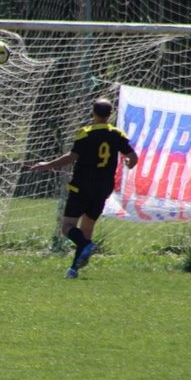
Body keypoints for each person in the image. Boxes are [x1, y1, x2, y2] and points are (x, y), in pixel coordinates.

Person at [30, 98, 139, 279]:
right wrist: (129, 164)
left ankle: (85, 247)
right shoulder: (117, 134)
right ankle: (73, 269)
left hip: (81, 186)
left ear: (93, 113)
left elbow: (71, 157)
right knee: (87, 229)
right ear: (110, 114)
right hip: (103, 188)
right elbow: (133, 157)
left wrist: (47, 165)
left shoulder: (85, 133)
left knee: (67, 226)